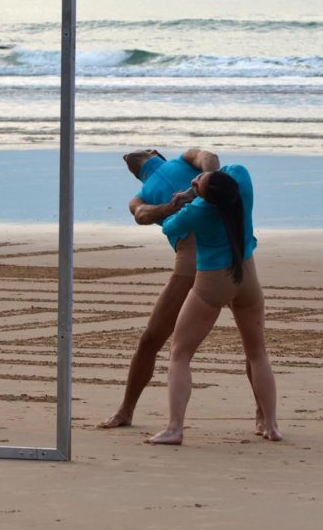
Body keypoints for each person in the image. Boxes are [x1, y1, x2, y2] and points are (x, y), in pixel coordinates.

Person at [99, 148, 262, 430]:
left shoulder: (184, 160)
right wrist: (172, 207)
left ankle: (263, 414)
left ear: (154, 152)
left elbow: (209, 158)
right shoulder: (140, 195)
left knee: (253, 344)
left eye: (134, 151)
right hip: (193, 258)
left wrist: (194, 188)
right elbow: (141, 214)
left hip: (225, 251)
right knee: (151, 338)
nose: (126, 155)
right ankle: (126, 410)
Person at [147, 164, 282, 445]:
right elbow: (234, 168)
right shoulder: (241, 185)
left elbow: (169, 227)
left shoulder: (199, 210)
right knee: (257, 353)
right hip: (246, 275)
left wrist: (183, 200)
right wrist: (206, 183)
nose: (194, 180)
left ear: (207, 197)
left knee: (180, 353)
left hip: (213, 282)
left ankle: (175, 428)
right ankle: (270, 424)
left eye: (199, 183)